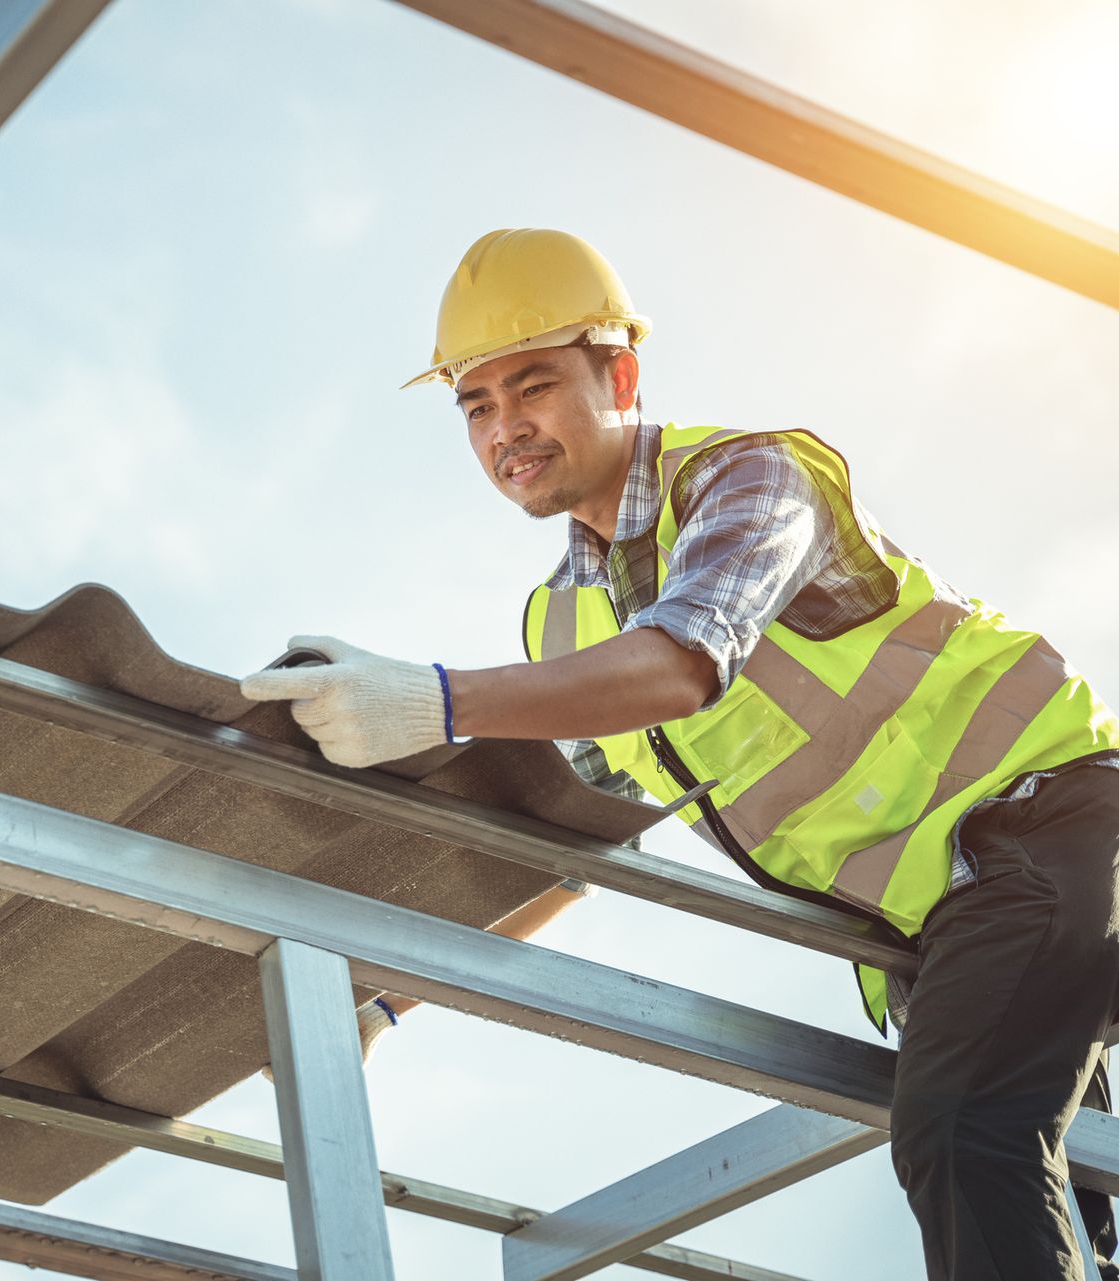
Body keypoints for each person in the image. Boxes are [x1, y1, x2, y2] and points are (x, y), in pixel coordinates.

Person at [238, 228, 1119, 1281]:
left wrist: (438, 702)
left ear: (622, 374)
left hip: (1045, 827)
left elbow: (688, 660)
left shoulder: (749, 479)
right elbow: (575, 846)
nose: (506, 428)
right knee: (1059, 1213)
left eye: (534, 386)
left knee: (967, 1129)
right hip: (945, 933)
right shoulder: (564, 631)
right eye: (476, 406)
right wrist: (387, 994)